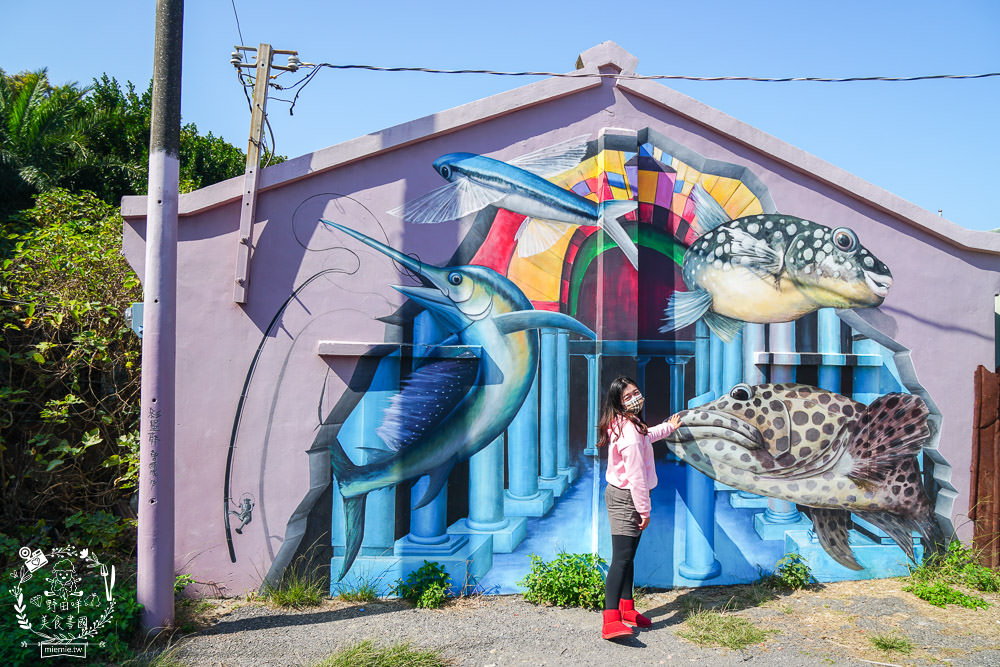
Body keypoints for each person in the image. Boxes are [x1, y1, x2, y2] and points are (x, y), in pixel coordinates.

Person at [597, 375, 682, 640]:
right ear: (618, 403)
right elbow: (636, 477)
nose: (635, 398)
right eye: (627, 396)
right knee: (621, 560)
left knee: (628, 558)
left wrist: (668, 427)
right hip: (626, 498)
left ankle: (627, 609)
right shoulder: (630, 432)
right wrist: (644, 510)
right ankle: (610, 620)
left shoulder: (630, 424)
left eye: (635, 392)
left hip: (625, 495)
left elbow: (648, 436)